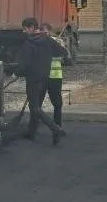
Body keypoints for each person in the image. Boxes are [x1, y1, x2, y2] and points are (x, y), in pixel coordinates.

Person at [16, 17, 67, 145]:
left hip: (33, 79)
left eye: (25, 29)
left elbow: (24, 64)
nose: (24, 31)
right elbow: (62, 52)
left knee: (35, 107)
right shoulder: (48, 40)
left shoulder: (29, 44)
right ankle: (31, 132)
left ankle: (54, 128)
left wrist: (16, 73)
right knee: (34, 106)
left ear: (32, 27)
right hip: (45, 78)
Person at [41, 23, 64, 127]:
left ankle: (57, 126)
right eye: (42, 33)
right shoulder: (39, 42)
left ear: (49, 31)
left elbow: (62, 56)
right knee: (37, 104)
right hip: (42, 77)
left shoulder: (57, 41)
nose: (44, 35)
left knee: (57, 103)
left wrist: (47, 57)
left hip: (55, 76)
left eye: (45, 32)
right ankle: (34, 127)